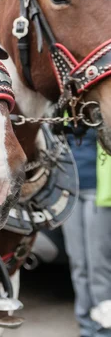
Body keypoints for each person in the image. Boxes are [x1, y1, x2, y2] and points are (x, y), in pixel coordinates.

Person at [62, 127, 111, 337]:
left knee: (98, 265)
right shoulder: (67, 107)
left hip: (99, 192)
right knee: (78, 263)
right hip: (70, 192)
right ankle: (85, 326)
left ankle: (103, 328)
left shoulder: (104, 103)